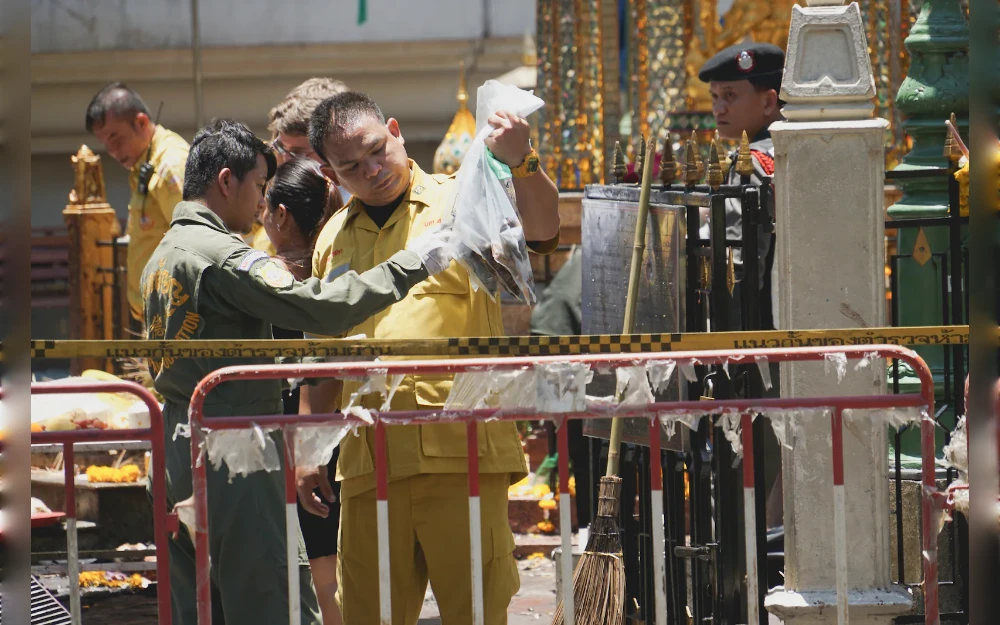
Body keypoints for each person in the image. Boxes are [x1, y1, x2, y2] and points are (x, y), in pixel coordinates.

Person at [142, 118, 453, 625]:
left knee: (199, 606)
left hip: (178, 452)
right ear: (227, 181)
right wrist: (412, 263)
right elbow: (320, 308)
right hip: (235, 454)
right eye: (260, 188)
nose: (262, 205)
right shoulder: (223, 258)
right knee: (274, 599)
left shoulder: (160, 255)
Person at [304, 91, 560, 625]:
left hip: (460, 454)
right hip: (369, 461)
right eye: (351, 166)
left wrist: (523, 160)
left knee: (474, 612)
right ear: (330, 173)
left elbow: (541, 232)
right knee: (366, 615)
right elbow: (323, 352)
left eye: (377, 150)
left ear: (395, 130)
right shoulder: (332, 238)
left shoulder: (462, 199)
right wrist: (308, 448)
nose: (372, 170)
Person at [699, 41, 785, 527]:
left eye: (730, 95)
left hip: (755, 334)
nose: (719, 108)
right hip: (775, 336)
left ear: (768, 101)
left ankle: (758, 573)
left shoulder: (753, 164)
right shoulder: (767, 157)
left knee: (755, 468)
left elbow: (730, 263)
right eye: (715, 96)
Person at [262, 157, 345, 625]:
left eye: (263, 207)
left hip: (299, 427)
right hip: (335, 421)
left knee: (314, 570)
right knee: (331, 562)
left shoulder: (268, 278)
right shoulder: (337, 264)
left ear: (281, 214)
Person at [86, 82, 190, 326]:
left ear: (142, 123)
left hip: (178, 319)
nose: (111, 150)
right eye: (105, 142)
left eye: (115, 137)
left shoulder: (169, 168)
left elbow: (198, 242)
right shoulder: (146, 162)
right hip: (160, 315)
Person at [247, 77, 351, 254]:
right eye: (280, 147)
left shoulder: (363, 213)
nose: (285, 161)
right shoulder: (258, 189)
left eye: (299, 153)